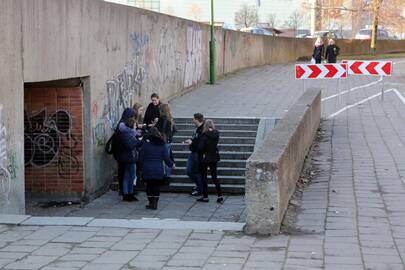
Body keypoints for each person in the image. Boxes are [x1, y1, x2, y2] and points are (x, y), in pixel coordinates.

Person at [139, 127, 174, 210]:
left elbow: (140, 158)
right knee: (156, 186)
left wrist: (141, 167)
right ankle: (155, 203)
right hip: (158, 169)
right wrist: (171, 164)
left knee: (149, 186)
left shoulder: (145, 145)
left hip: (147, 169)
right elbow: (166, 158)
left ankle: (151, 202)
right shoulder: (162, 145)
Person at [114, 117, 142, 202]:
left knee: (130, 176)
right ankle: (127, 194)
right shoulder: (126, 134)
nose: (135, 127)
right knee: (129, 176)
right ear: (131, 125)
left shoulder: (131, 133)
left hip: (131, 157)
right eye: (134, 125)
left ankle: (129, 193)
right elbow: (130, 145)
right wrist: (139, 141)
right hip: (128, 158)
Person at [197, 119, 223, 203]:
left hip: (205, 158)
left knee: (204, 177)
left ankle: (205, 197)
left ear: (205, 125)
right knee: (214, 177)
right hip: (213, 157)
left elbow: (200, 148)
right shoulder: (216, 134)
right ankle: (220, 196)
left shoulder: (204, 135)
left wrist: (202, 152)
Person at [112, 108, 136, 197]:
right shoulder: (123, 127)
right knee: (124, 173)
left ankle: (125, 190)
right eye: (132, 116)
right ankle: (124, 191)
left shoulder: (122, 124)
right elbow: (127, 142)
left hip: (121, 153)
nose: (133, 118)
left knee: (124, 173)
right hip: (122, 153)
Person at [184, 113, 204, 196]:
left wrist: (192, 142)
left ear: (196, 119)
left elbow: (201, 142)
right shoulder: (196, 129)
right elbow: (194, 139)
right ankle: (199, 186)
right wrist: (190, 140)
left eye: (193, 119)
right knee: (189, 171)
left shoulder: (202, 129)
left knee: (196, 172)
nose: (192, 120)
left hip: (197, 153)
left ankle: (200, 189)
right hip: (192, 152)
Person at [155, 104, 177, 179]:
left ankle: (166, 176)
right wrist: (170, 136)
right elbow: (174, 130)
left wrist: (155, 125)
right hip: (168, 141)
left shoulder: (162, 118)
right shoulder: (169, 118)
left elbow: (160, 130)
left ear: (162, 110)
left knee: (165, 159)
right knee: (167, 158)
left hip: (163, 141)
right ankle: (168, 175)